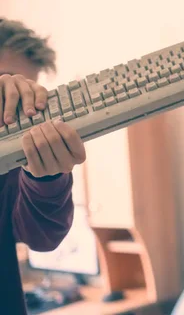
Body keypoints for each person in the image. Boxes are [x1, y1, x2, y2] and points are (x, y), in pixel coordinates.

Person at [0, 18, 86, 314]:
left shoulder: (13, 157)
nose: (17, 97)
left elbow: (41, 236)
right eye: (7, 80)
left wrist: (47, 177)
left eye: (28, 89)